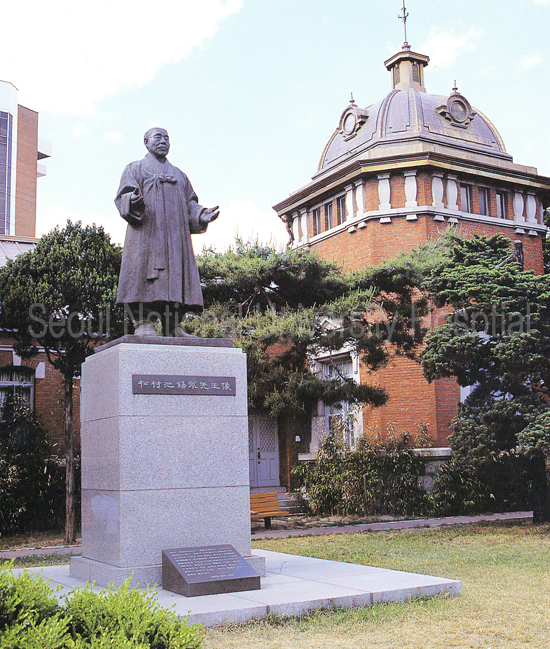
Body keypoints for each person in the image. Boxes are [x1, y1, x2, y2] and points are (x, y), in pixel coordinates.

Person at [115, 127, 219, 336]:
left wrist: (200, 215)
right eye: (158, 137)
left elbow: (190, 202)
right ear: (146, 142)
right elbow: (124, 196)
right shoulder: (135, 168)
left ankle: (174, 325)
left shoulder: (179, 175)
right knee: (143, 276)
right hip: (147, 234)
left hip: (175, 238)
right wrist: (132, 202)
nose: (163, 141)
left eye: (167, 138)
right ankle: (143, 323)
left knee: (176, 276)